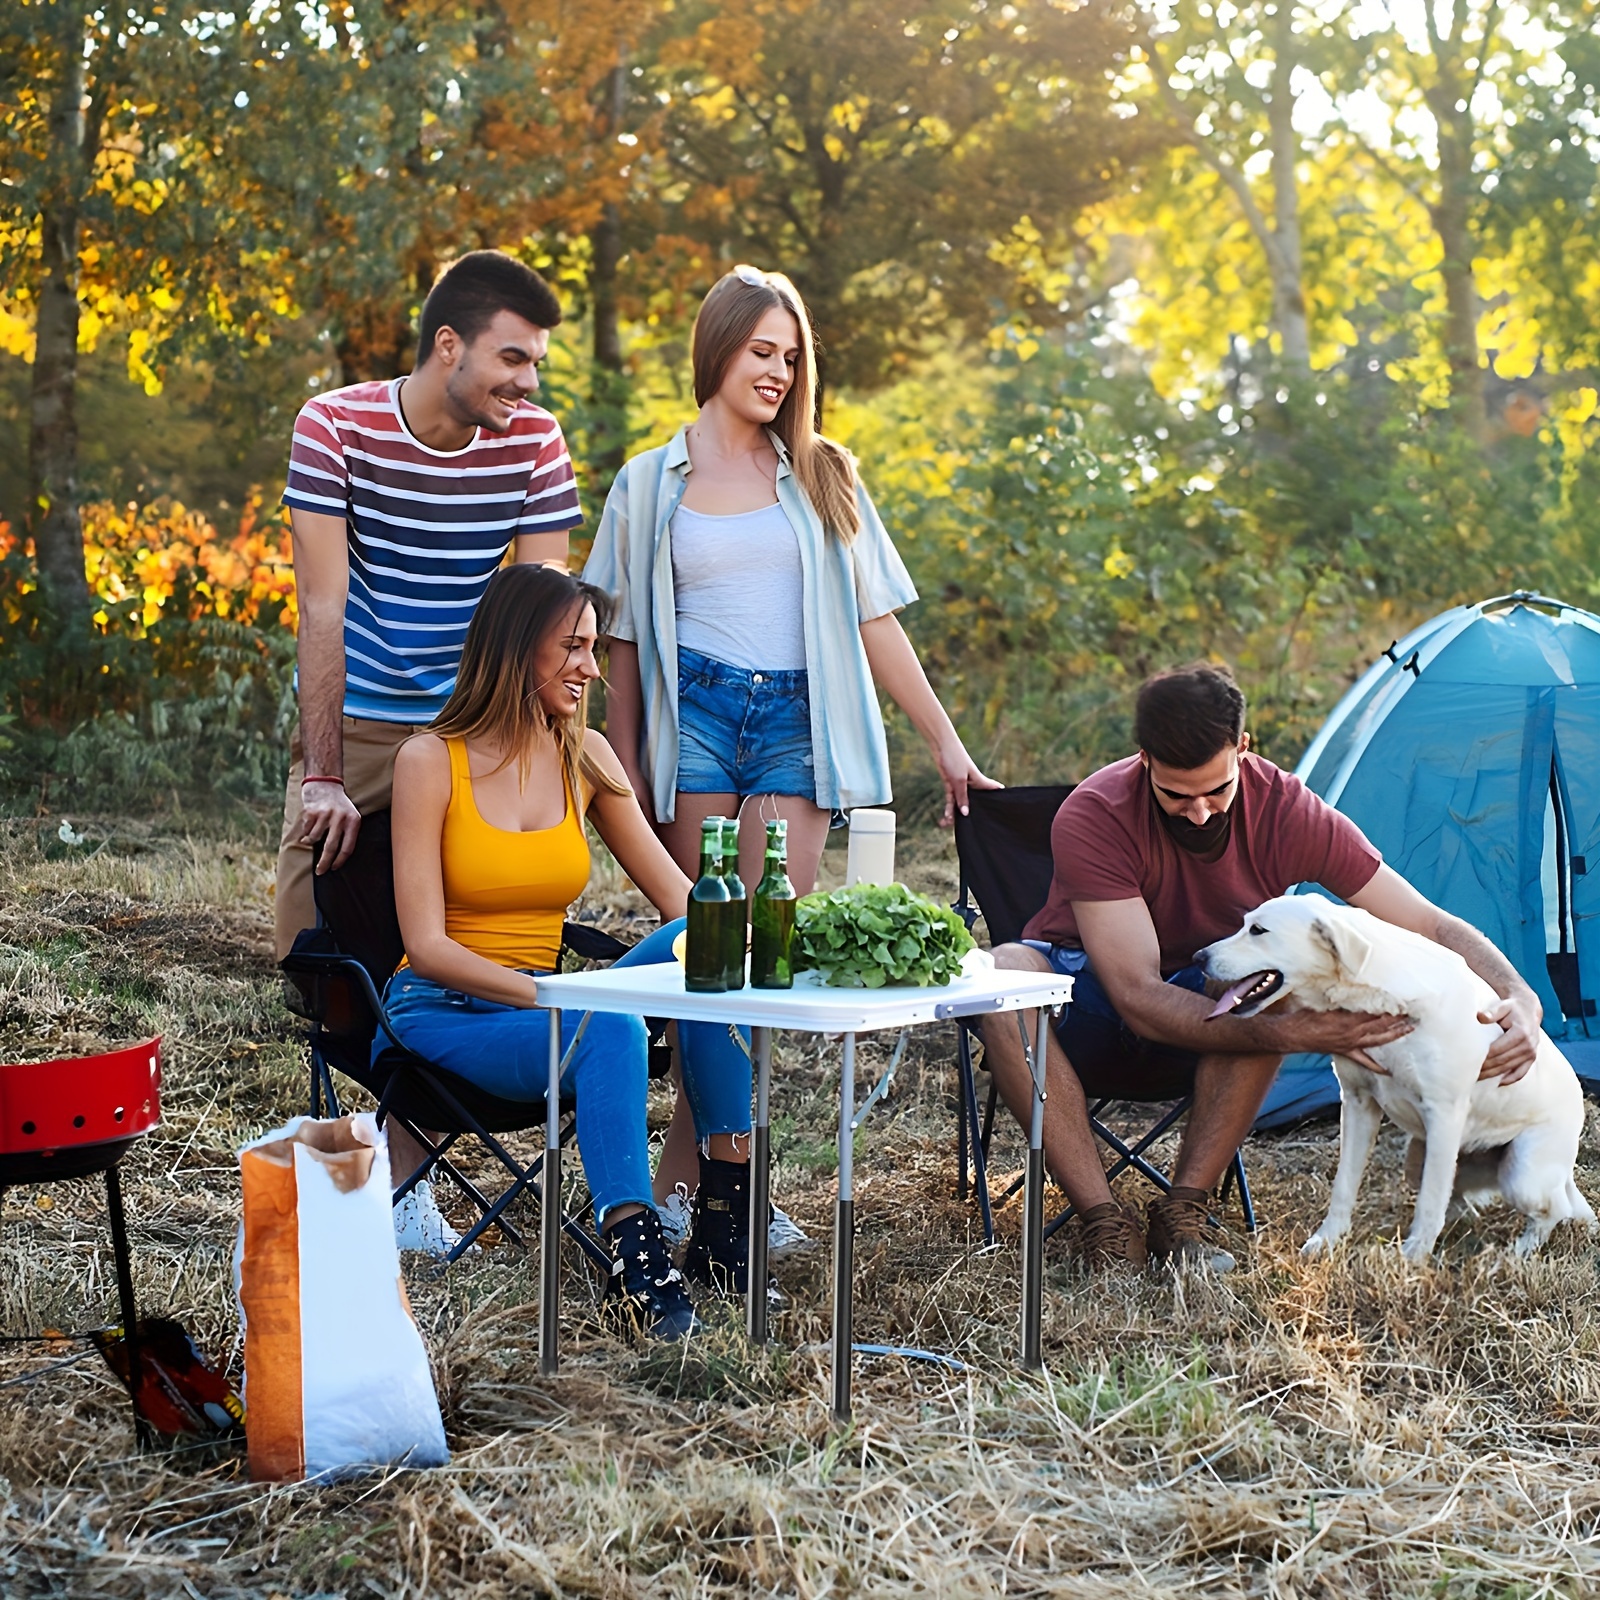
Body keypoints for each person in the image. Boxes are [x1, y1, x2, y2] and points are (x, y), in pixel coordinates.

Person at [583, 264, 999, 1245]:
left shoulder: (823, 471)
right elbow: (625, 643)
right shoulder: (649, 480)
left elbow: (875, 619)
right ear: (717, 347)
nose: (777, 370)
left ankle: (709, 1192)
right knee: (700, 957)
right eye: (760, 350)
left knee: (760, 962)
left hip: (796, 722)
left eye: (790, 355)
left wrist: (945, 742)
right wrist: (630, 763)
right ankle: (699, 1192)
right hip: (697, 716)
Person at [981, 662, 1544, 1273]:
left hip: (1212, 1003)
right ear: (1143, 759)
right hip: (1087, 1005)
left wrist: (1518, 992)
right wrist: (1295, 1034)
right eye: (1176, 795)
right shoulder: (1096, 812)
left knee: (1267, 988)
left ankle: (1183, 1215)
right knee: (1003, 975)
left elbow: (1427, 922)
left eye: (1215, 791)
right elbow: (1137, 995)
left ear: (1243, 750)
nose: (1198, 813)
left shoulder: (1287, 809)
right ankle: (1103, 1221)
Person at [277, 251, 582, 1252]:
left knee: (465, 943)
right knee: (320, 956)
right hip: (358, 720)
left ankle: (401, 1175)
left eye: (534, 363)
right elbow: (322, 605)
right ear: (446, 345)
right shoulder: (336, 425)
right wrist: (322, 774)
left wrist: (542, 752)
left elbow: (544, 622)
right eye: (510, 358)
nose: (526, 384)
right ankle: (376, 1154)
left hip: (470, 730)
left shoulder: (535, 443)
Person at [385, 564, 760, 1341]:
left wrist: (758, 933)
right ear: (516, 649)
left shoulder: (584, 755)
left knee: (707, 943)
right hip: (444, 1010)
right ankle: (636, 1265)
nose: (592, 668)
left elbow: (681, 897)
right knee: (611, 1024)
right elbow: (424, 947)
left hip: (545, 1005)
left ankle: (726, 1211)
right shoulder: (429, 761)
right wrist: (558, 998)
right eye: (573, 648)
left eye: (592, 647)